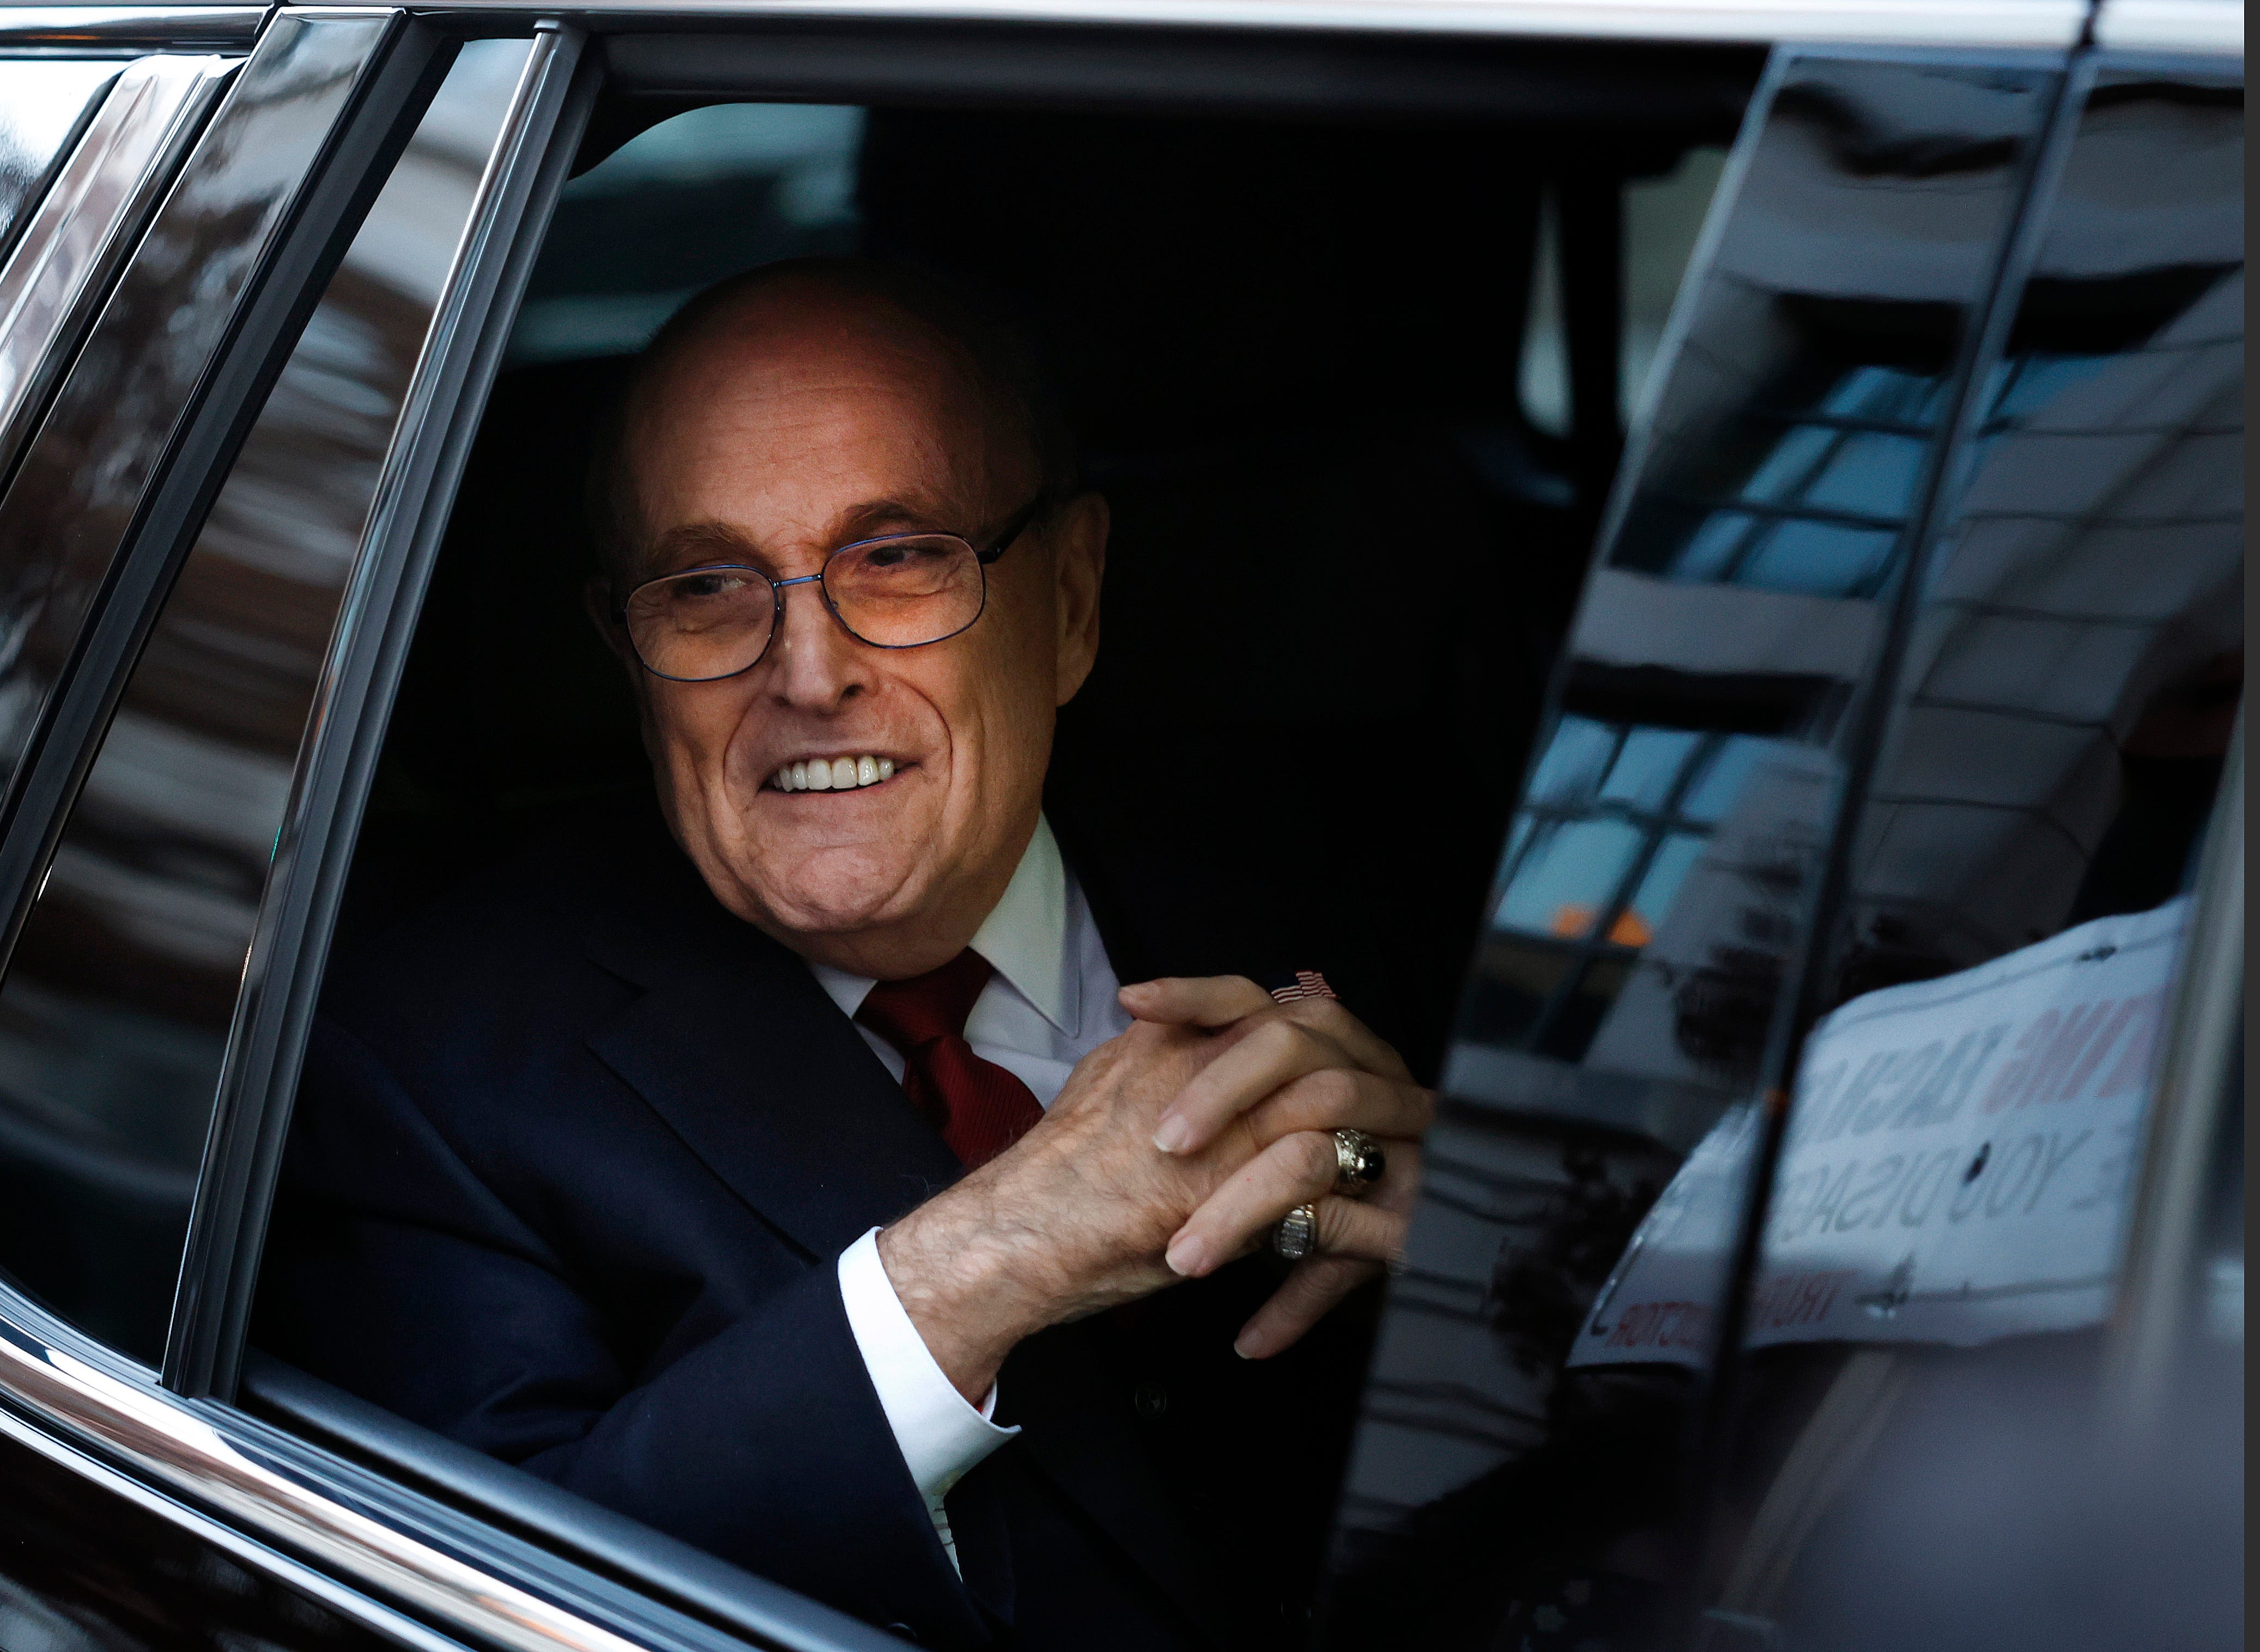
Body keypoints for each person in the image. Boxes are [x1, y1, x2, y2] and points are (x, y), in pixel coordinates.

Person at [258, 258, 1434, 1651]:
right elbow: (479, 1601)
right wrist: (996, 1250)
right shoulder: (422, 1070)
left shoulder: (1358, 876)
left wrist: (1459, 1254)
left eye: (897, 556)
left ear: (1069, 599)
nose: (810, 676)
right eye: (707, 586)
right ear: (625, 654)